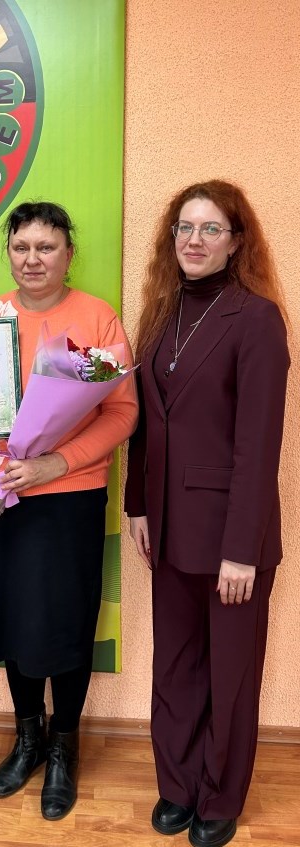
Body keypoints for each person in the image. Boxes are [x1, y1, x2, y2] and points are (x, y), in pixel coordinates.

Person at [0, 201, 138, 820]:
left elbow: (123, 413)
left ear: (69, 253)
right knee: (13, 618)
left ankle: (65, 744)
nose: (33, 259)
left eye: (46, 247)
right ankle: (27, 737)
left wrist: (56, 464)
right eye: (21, 247)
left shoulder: (97, 319)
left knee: (66, 622)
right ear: (8, 253)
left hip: (69, 497)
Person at [124, 180, 289, 847]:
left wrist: (242, 549)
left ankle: (220, 796)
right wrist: (136, 503)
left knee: (230, 674)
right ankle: (178, 786)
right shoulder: (160, 314)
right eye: (184, 228)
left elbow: (258, 445)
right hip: (166, 529)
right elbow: (143, 421)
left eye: (210, 229)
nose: (194, 240)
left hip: (230, 536)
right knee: (175, 667)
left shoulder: (257, 319)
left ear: (236, 241)